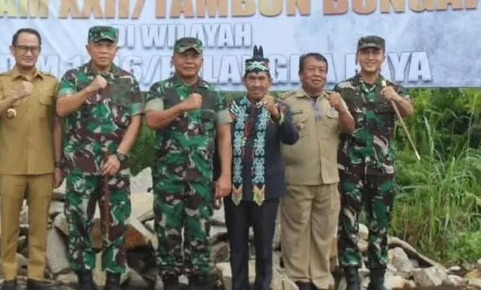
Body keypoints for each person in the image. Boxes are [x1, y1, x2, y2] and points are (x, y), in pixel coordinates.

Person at [55, 26, 143, 290]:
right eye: (98, 45)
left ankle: (113, 278)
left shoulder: (127, 80)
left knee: (116, 223)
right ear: (88, 48)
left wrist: (119, 155)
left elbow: (135, 121)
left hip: (115, 167)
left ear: (116, 49)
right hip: (81, 167)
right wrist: (89, 89)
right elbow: (61, 108)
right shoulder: (74, 77)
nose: (104, 50)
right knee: (78, 221)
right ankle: (84, 278)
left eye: (109, 45)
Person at [144, 37, 232, 290]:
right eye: (183, 56)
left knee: (199, 234)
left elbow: (224, 136)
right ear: (173, 59)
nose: (189, 61)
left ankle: (198, 280)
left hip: (201, 179)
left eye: (194, 56)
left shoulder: (214, 94)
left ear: (201, 61)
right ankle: (169, 279)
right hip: (168, 179)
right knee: (167, 233)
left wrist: (225, 175)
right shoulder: (160, 90)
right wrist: (181, 107)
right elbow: (152, 121)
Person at [0, 28, 63, 290]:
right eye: (23, 48)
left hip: (43, 165)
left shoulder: (51, 83)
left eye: (33, 48)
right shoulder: (1, 82)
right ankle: (9, 276)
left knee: (39, 225)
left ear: (39, 51)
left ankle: (35, 277)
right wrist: (16, 95)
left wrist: (58, 164)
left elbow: (56, 125)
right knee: (9, 225)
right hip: (11, 165)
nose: (28, 53)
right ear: (13, 50)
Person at [335, 36, 414, 290]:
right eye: (365, 52)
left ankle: (377, 278)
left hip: (382, 171)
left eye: (375, 52)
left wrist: (396, 98)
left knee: (379, 225)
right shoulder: (344, 89)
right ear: (357, 56)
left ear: (383, 57)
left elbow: (409, 112)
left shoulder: (392, 88)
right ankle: (352, 277)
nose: (370, 57)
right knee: (348, 224)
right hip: (350, 169)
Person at [222, 46, 300, 290]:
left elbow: (291, 137)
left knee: (264, 247)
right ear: (244, 80)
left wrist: (276, 114)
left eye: (261, 78)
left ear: (270, 81)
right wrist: (219, 179)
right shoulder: (231, 108)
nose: (257, 83)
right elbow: (219, 145)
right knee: (237, 246)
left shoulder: (281, 107)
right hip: (235, 189)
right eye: (252, 78)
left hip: (266, 190)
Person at [279, 53, 355, 290]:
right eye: (312, 69)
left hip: (328, 179)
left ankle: (320, 278)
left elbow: (349, 128)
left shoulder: (334, 101)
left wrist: (341, 109)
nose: (317, 74)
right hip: (297, 179)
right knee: (296, 231)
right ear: (300, 74)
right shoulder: (287, 102)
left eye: (322, 70)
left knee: (324, 232)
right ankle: (299, 277)